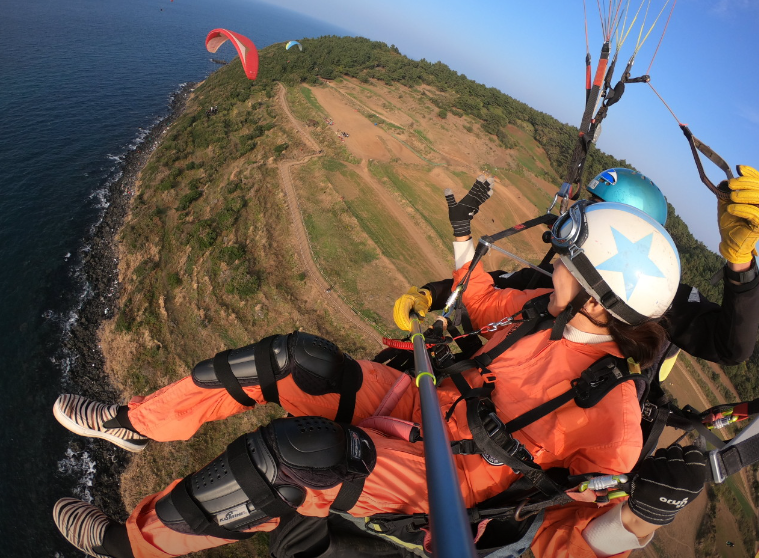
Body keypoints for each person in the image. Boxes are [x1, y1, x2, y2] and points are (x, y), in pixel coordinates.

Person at [52, 200, 707, 558]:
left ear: (595, 299)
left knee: (292, 459)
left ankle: (127, 546)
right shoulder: (540, 309)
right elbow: (477, 298)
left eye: (567, 262)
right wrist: (460, 240)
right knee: (290, 359)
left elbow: (565, 542)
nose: (551, 265)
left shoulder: (612, 413)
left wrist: (640, 520)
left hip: (443, 473)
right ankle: (136, 425)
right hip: (414, 399)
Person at [393, 167, 759, 384]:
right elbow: (501, 285)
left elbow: (731, 346)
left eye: (596, 213)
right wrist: (433, 293)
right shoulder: (565, 273)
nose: (579, 220)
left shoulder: (657, 298)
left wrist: (740, 265)